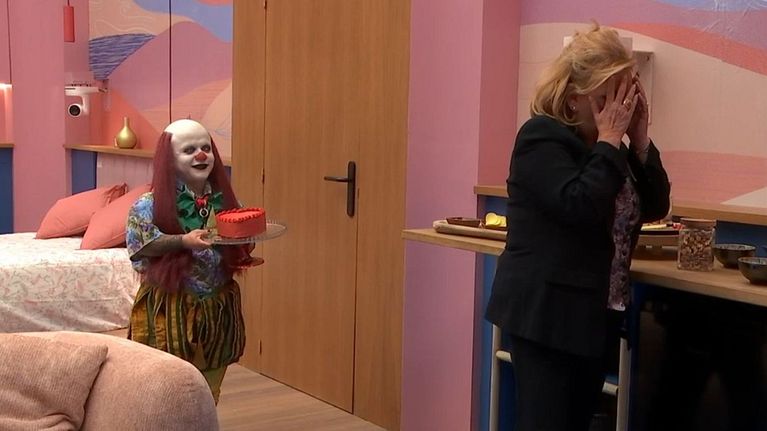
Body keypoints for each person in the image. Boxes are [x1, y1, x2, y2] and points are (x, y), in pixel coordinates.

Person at [485, 24, 671, 431]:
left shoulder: (608, 148)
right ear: (574, 99)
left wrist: (640, 141)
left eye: (625, 97)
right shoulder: (541, 138)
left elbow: (655, 206)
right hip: (548, 316)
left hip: (594, 316)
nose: (618, 110)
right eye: (607, 99)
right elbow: (579, 205)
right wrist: (610, 141)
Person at [126, 119, 255, 404]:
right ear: (169, 159)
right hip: (170, 307)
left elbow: (241, 240)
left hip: (218, 307)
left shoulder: (229, 202)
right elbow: (140, 247)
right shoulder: (147, 205)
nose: (201, 155)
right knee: (168, 389)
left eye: (206, 148)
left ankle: (205, 419)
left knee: (209, 390)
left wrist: (247, 240)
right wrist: (183, 241)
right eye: (189, 150)